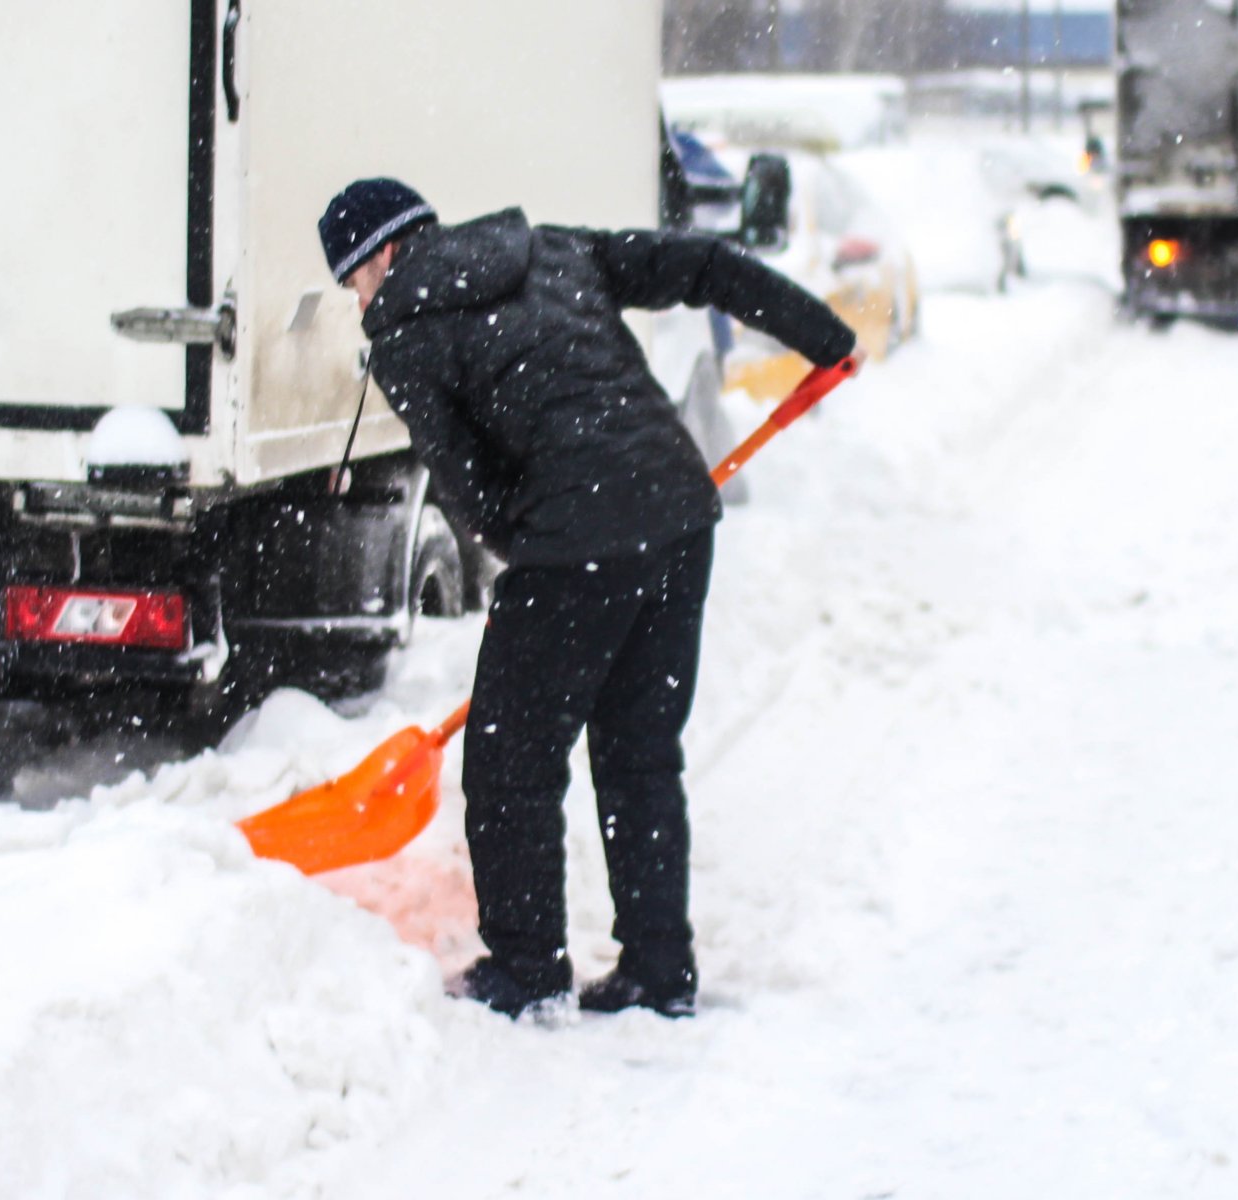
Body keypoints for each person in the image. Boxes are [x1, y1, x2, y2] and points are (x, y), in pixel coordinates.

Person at [317, 178, 856, 1020]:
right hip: (678, 514)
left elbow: (469, 485)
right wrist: (821, 336)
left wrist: (533, 542)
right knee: (639, 752)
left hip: (579, 538)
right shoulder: (549, 248)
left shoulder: (403, 333)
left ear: (382, 253)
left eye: (353, 279)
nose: (359, 300)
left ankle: (527, 969)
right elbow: (704, 265)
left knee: (508, 762)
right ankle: (657, 968)